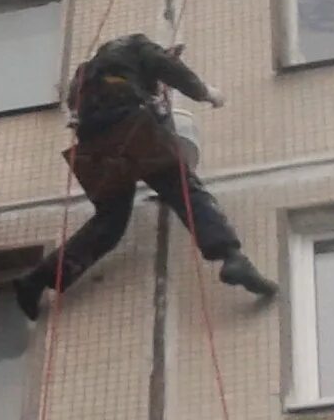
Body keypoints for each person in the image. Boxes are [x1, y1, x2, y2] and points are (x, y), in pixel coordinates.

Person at [15, 32, 274, 319]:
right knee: (184, 190)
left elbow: (74, 105)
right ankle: (231, 256)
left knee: (110, 223)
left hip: (94, 143)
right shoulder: (137, 45)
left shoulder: (87, 72)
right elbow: (165, 65)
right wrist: (204, 92)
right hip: (130, 124)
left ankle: (36, 279)